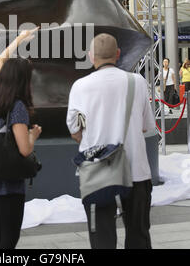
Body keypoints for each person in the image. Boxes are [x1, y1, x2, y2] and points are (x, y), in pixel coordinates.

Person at [66, 33, 155, 249]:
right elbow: (146, 126)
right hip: (136, 171)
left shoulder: (80, 86)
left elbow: (74, 130)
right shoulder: (138, 82)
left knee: (102, 240)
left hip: (97, 173)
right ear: (117, 54)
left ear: (90, 56)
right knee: (138, 236)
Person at [0, 28, 42, 249]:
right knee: (8, 238)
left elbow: (2, 58)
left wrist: (20, 38)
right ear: (23, 81)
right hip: (7, 180)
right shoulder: (18, 106)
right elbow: (24, 150)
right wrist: (33, 135)